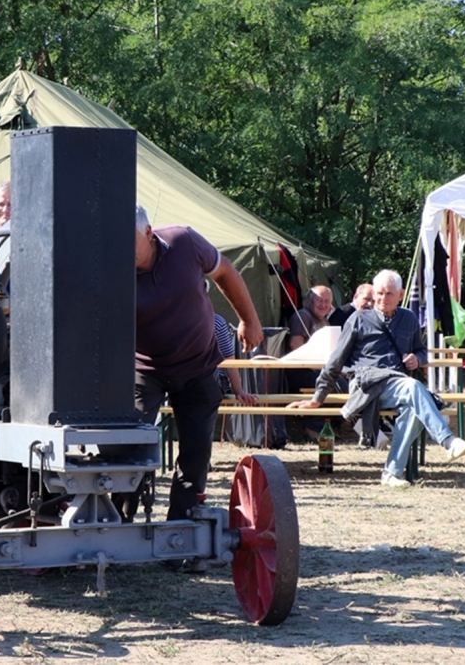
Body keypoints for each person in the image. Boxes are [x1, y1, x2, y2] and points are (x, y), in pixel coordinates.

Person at [130, 205, 263, 524]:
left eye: (126, 238)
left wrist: (249, 320)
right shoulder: (104, 267)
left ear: (148, 233)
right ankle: (119, 527)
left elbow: (226, 272)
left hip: (198, 363)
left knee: (196, 455)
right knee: (128, 447)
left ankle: (181, 531)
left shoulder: (184, 242)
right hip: (143, 370)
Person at [288, 269, 465, 487]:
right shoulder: (358, 319)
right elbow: (336, 360)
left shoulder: (409, 318)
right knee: (414, 387)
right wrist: (318, 397)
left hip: (399, 384)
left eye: (388, 294)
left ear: (400, 294)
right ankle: (448, 441)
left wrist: (418, 358)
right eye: (379, 293)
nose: (382, 299)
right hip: (367, 384)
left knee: (412, 408)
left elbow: (421, 350)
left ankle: (391, 473)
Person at [287, 285, 336, 439]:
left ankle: (328, 426)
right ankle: (313, 427)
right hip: (301, 371)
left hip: (320, 370)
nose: (323, 305)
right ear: (310, 301)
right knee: (332, 386)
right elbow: (295, 345)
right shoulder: (303, 316)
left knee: (347, 385)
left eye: (326, 301)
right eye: (319, 301)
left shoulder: (325, 321)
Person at [214, 312, 258, 406]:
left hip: (209, 382)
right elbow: (229, 358)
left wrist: (239, 391)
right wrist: (239, 391)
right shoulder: (216, 321)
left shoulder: (215, 321)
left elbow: (229, 359)